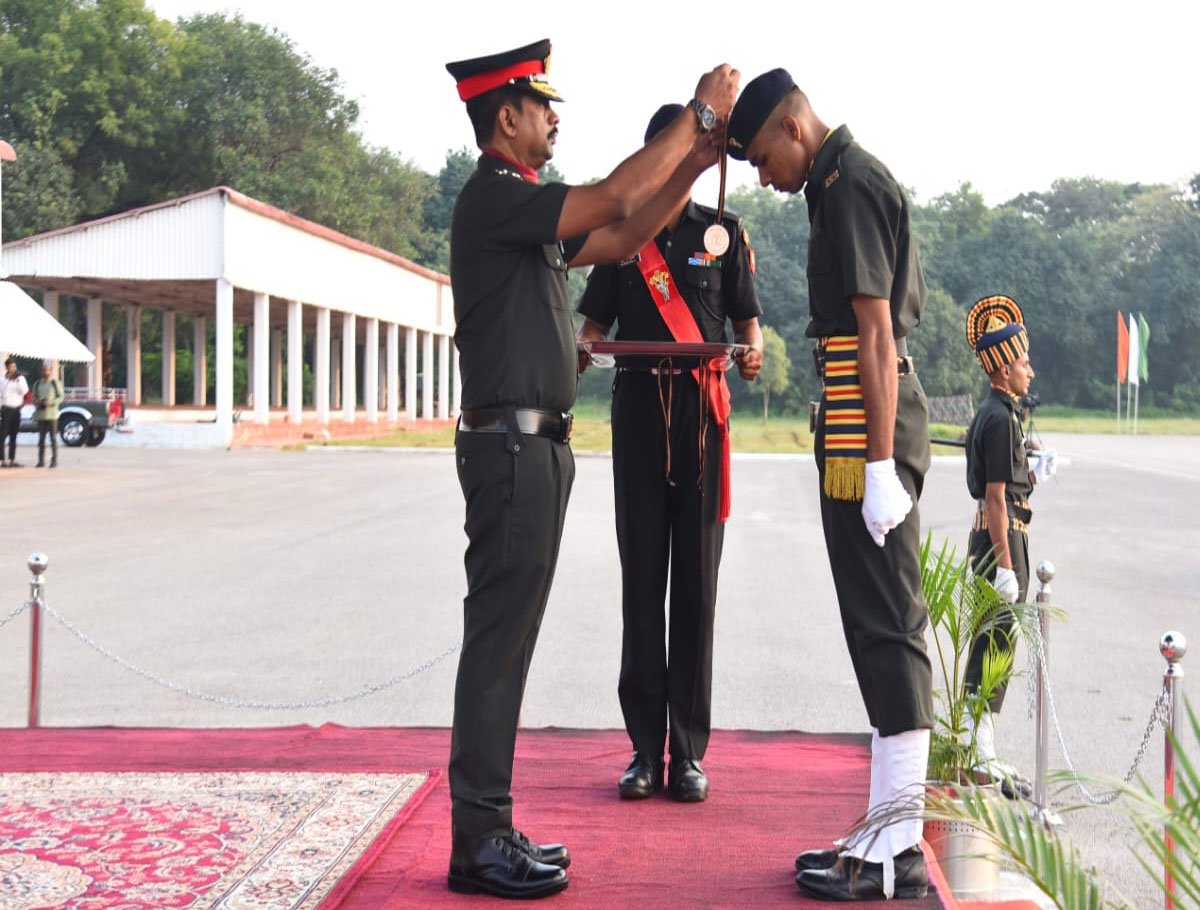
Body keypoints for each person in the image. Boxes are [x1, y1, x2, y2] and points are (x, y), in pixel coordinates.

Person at [443, 39, 738, 899]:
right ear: (506, 118)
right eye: (542, 107)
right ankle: (477, 837)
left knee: (511, 640)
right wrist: (701, 117)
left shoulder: (523, 211)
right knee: (499, 642)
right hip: (509, 448)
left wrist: (692, 166)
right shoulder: (494, 199)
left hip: (534, 449)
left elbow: (626, 229)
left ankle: (490, 825)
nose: (554, 118)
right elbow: (612, 194)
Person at [727, 70, 933, 901]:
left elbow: (876, 336)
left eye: (759, 154)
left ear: (793, 123)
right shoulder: (831, 186)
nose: (759, 173)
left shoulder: (849, 187)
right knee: (871, 625)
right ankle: (886, 826)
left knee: (889, 622)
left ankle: (900, 849)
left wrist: (880, 464)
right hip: (853, 417)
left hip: (868, 422)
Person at [576, 103, 763, 805]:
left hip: (701, 415)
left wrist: (753, 354)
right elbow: (593, 325)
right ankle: (640, 752)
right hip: (636, 412)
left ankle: (686, 753)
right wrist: (584, 349)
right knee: (641, 582)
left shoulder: (723, 234)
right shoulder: (622, 237)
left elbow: (749, 322)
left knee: (697, 586)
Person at [963, 294, 1055, 796]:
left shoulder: (1006, 415)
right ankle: (980, 751)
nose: (1030, 372)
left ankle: (984, 748)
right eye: (1022, 362)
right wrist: (1004, 565)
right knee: (993, 643)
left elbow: (1012, 487)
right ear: (1002, 370)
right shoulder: (1000, 419)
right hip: (1001, 542)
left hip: (1004, 537)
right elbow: (995, 498)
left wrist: (1035, 465)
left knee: (999, 642)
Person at [31, 361, 63, 469]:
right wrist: (38, 401)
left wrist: (51, 402)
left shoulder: (54, 383)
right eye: (43, 370)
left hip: (52, 415)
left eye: (47, 370)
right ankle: (40, 461)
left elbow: (61, 397)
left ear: (50, 371)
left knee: (53, 438)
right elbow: (33, 398)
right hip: (41, 415)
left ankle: (54, 460)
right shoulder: (37, 384)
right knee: (41, 439)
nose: (45, 372)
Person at [1, 357, 29, 468]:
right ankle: (2, 460)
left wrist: (17, 381)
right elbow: (3, 391)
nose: (12, 369)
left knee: (14, 435)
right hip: (6, 409)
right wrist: (9, 380)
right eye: (10, 367)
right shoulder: (3, 379)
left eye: (14, 367)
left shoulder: (20, 378)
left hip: (16, 409)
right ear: (6, 368)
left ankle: (12, 459)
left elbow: (24, 391)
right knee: (2, 436)